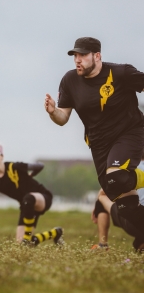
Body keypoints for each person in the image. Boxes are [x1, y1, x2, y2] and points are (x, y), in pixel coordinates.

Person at [45, 37, 144, 235]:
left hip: (129, 132)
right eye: (75, 55)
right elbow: (63, 117)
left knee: (116, 175)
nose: (77, 60)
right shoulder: (69, 80)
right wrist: (53, 112)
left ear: (97, 56)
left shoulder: (121, 73)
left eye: (82, 55)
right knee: (125, 206)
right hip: (99, 144)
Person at [0, 142, 63, 246]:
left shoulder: (14, 167)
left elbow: (40, 166)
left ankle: (27, 237)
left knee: (28, 199)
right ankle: (56, 233)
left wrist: (31, 175)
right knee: (21, 245)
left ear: (2, 156)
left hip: (42, 197)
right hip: (26, 207)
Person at [91, 153, 144, 251]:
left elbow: (105, 191)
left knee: (102, 196)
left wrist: (97, 207)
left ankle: (103, 245)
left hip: (133, 219)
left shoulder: (131, 169)